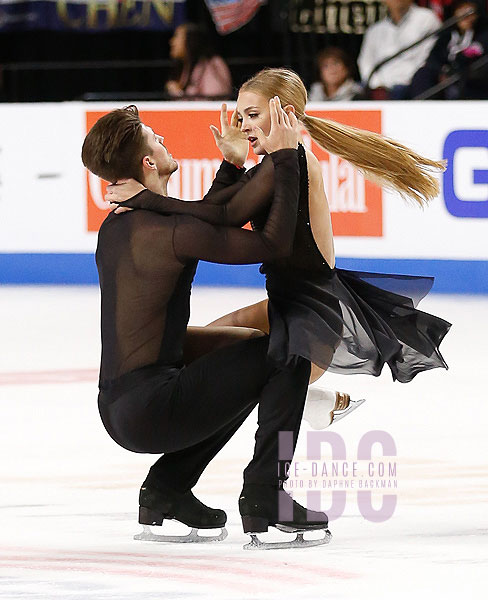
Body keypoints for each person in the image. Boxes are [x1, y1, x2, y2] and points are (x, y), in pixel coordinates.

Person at [109, 68, 451, 397]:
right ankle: (310, 403)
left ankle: (305, 404)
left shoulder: (290, 163)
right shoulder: (275, 164)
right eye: (241, 118)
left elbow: (222, 215)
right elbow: (212, 217)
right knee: (183, 349)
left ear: (284, 113)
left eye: (253, 115)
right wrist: (230, 163)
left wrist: (147, 200)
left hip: (307, 325)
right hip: (288, 308)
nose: (244, 128)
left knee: (201, 362)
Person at [82, 101, 332, 550]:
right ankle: (265, 496)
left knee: (253, 353)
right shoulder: (166, 229)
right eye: (156, 139)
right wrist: (287, 157)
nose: (163, 141)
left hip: (119, 404)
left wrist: (232, 163)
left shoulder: (124, 223)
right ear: (148, 163)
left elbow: (207, 213)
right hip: (153, 407)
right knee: (289, 352)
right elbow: (272, 244)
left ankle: (167, 490)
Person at [358, 0, 441, 98]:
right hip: (379, 88)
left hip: (411, 86)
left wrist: (402, 82)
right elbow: (365, 62)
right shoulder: (375, 30)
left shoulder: (426, 18)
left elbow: (426, 58)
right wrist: (377, 85)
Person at [410, 0, 488, 99]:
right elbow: (433, 59)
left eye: (470, 11)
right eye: (461, 10)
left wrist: (454, 70)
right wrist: (443, 70)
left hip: (470, 80)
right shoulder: (447, 34)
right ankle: (420, 108)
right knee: (423, 74)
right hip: (445, 77)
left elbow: (476, 57)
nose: (466, 16)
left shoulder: (483, 34)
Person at [165, 23, 232, 100]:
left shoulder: (212, 64)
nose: (172, 42)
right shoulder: (187, 65)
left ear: (190, 40)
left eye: (176, 36)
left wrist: (178, 93)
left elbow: (213, 100)